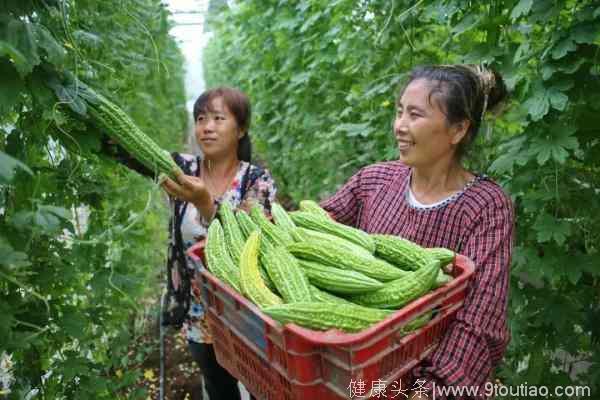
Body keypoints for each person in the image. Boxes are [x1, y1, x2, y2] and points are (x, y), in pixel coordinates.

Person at [320, 64, 514, 399]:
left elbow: (479, 318)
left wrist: (429, 390)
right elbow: (316, 228)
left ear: (457, 130)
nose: (399, 126)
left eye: (414, 115)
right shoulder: (374, 180)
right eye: (398, 112)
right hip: (368, 376)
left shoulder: (487, 205)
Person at [160, 87, 276, 400]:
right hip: (198, 312)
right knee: (218, 387)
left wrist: (205, 204)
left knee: (261, 388)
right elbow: (126, 147)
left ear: (241, 129)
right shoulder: (180, 169)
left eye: (218, 118)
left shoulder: (257, 181)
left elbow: (246, 239)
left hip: (247, 311)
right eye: (200, 118)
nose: (206, 127)